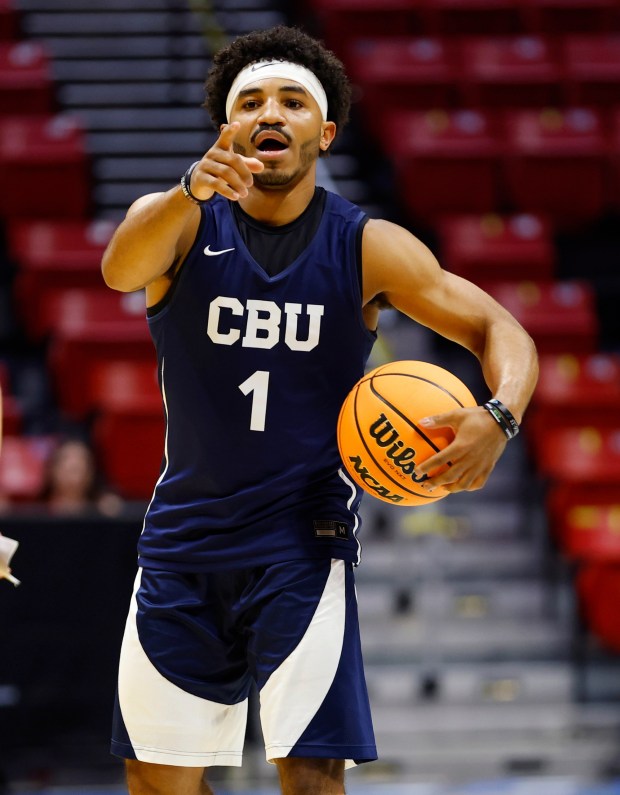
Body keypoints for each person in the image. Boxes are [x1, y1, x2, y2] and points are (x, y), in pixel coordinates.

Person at [101, 25, 538, 795]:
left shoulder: (366, 245)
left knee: (310, 772)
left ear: (325, 131)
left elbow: (499, 328)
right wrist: (185, 192)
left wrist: (498, 416)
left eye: (293, 101)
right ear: (226, 129)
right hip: (182, 541)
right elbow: (118, 268)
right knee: (156, 779)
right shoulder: (178, 223)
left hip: (300, 539)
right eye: (252, 101)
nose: (271, 111)